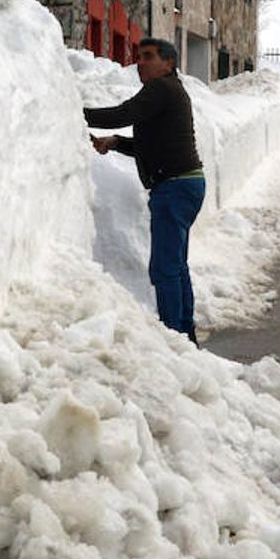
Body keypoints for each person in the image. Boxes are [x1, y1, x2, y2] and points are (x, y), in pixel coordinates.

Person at [85, 38, 206, 346]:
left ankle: (174, 338)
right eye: (139, 57)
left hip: (175, 187)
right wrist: (115, 142)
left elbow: (123, 113)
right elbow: (149, 145)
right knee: (176, 264)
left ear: (168, 63)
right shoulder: (170, 92)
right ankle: (185, 334)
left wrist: (76, 109)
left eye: (149, 56)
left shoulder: (161, 88)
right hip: (186, 183)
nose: (141, 62)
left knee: (164, 267)